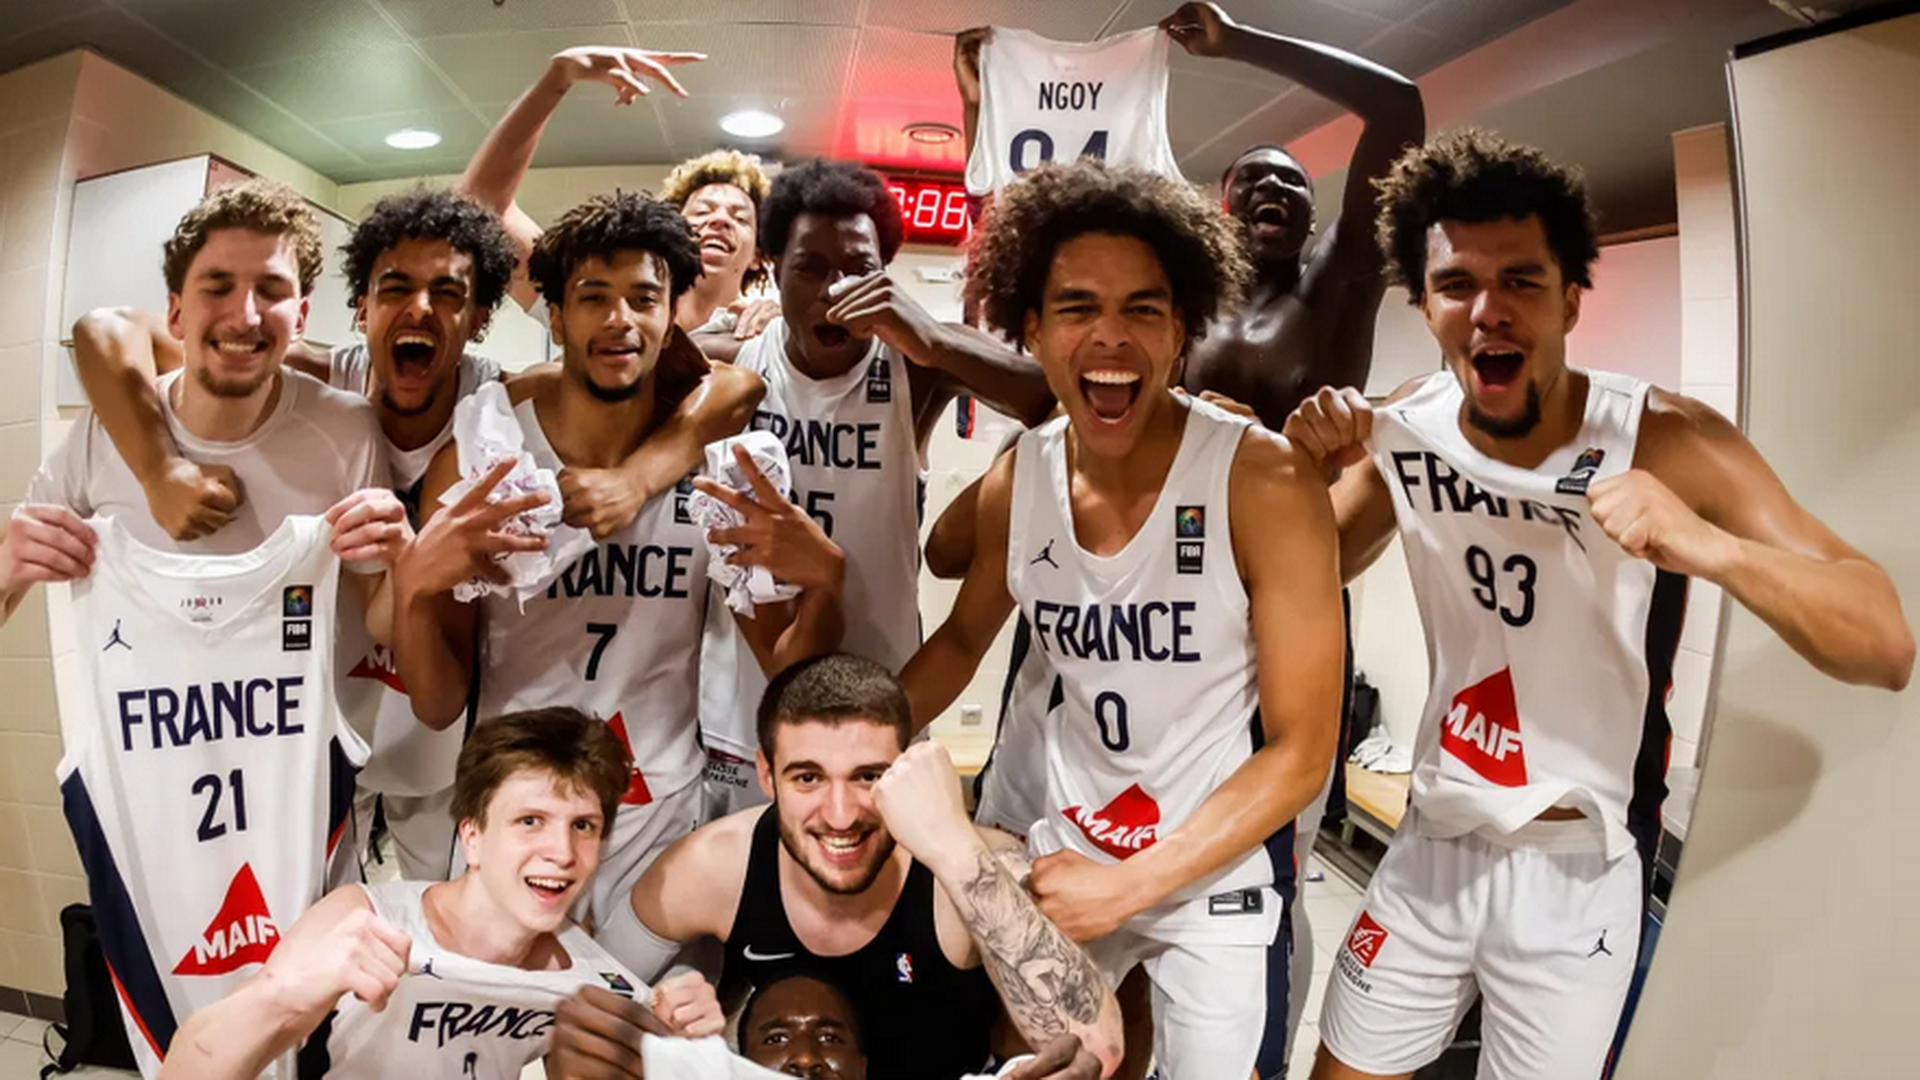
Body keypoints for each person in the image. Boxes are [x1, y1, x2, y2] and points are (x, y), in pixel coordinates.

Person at [1286, 129, 1914, 1080]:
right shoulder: (1409, 424)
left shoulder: (1665, 436)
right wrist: (1300, 477)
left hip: (1579, 869)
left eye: (1522, 281)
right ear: (1423, 303)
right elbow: (1312, 569)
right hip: (1433, 842)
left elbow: (1883, 641)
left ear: (1572, 298)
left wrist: (1705, 543)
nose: (1489, 311)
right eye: (1457, 284)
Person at [66, 187, 762, 879]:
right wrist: (158, 469)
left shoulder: (501, 406)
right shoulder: (329, 387)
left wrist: (638, 476)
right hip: (325, 715)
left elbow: (730, 385)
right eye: (396, 288)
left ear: (479, 318)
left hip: (438, 735)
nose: (421, 309)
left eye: (449, 294)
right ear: (361, 307)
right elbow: (106, 330)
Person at [899, 159, 1345, 1080]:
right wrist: (843, 748)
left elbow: (1304, 751)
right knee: (1032, 1063)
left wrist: (1132, 886)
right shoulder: (1018, 480)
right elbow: (959, 643)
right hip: (1070, 849)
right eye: (1077, 308)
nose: (1111, 335)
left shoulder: (1261, 478)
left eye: (1143, 309)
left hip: (1213, 868)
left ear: (1182, 330)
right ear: (1031, 329)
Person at [0, 179, 409, 1078]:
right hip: (156, 819)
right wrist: (9, 563)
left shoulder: (346, 433)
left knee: (308, 1047)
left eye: (271, 290)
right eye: (219, 286)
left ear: (301, 315)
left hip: (295, 807)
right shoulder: (103, 440)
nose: (245, 313)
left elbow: (383, 621)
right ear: (176, 311)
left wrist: (402, 561)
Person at [391, 189, 844, 966]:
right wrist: (413, 590)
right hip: (518, 808)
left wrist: (827, 584)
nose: (619, 321)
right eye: (593, 297)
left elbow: (787, 667)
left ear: (672, 317)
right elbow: (437, 703)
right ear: (556, 314)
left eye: (643, 298)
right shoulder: (487, 457)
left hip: (659, 814)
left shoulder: (720, 466)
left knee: (650, 1028)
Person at [698, 158, 1057, 819]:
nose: (833, 290)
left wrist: (934, 338)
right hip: (746, 702)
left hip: (888, 692)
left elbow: (1057, 401)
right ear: (772, 268)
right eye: (809, 268)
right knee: (746, 879)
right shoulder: (730, 360)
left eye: (858, 268)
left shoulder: (916, 363)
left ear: (885, 274)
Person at [595, 653, 1122, 1080]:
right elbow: (586, 998)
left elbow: (1097, 1048)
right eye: (808, 778)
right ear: (767, 775)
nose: (841, 815)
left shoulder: (971, 863)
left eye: (868, 776)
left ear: (908, 770)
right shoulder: (714, 865)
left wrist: (955, 848)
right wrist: (670, 1012)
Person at [154, 708, 726, 1079]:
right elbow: (187, 1070)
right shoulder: (367, 921)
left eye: (583, 826)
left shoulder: (594, 983)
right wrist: (283, 995)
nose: (561, 851)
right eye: (530, 821)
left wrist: (681, 1046)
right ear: (472, 837)